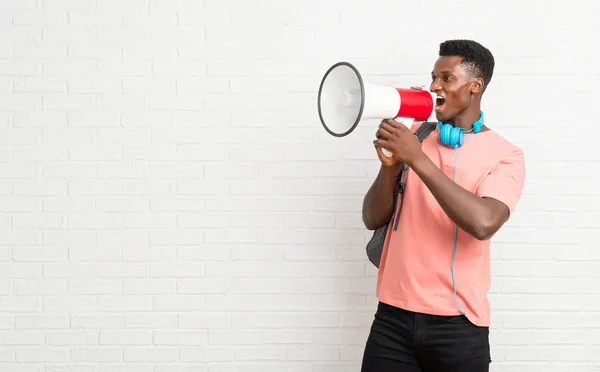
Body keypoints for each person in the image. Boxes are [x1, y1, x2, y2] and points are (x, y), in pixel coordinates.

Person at [360, 39, 526, 372]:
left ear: (475, 86)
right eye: (434, 77)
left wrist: (416, 159)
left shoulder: (506, 155)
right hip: (391, 319)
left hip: (458, 327)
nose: (435, 86)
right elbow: (372, 217)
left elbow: (483, 223)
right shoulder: (416, 135)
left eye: (446, 78)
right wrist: (391, 166)